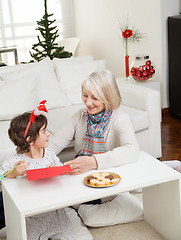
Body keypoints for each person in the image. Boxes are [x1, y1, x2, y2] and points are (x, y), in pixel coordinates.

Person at [49, 70, 143, 227]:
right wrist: (39, 159)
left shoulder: (120, 119)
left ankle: (127, 205)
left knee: (89, 216)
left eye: (95, 98)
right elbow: (55, 143)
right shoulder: (80, 116)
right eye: (85, 95)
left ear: (108, 98)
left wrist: (92, 162)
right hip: (82, 178)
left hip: (107, 179)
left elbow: (132, 150)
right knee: (56, 199)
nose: (88, 102)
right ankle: (83, 208)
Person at [0, 102, 76, 240]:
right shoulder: (16, 162)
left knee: (68, 236)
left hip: (54, 213)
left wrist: (57, 171)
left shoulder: (49, 154)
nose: (49, 134)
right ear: (30, 140)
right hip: (31, 216)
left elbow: (63, 175)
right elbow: (1, 179)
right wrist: (14, 173)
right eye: (44, 131)